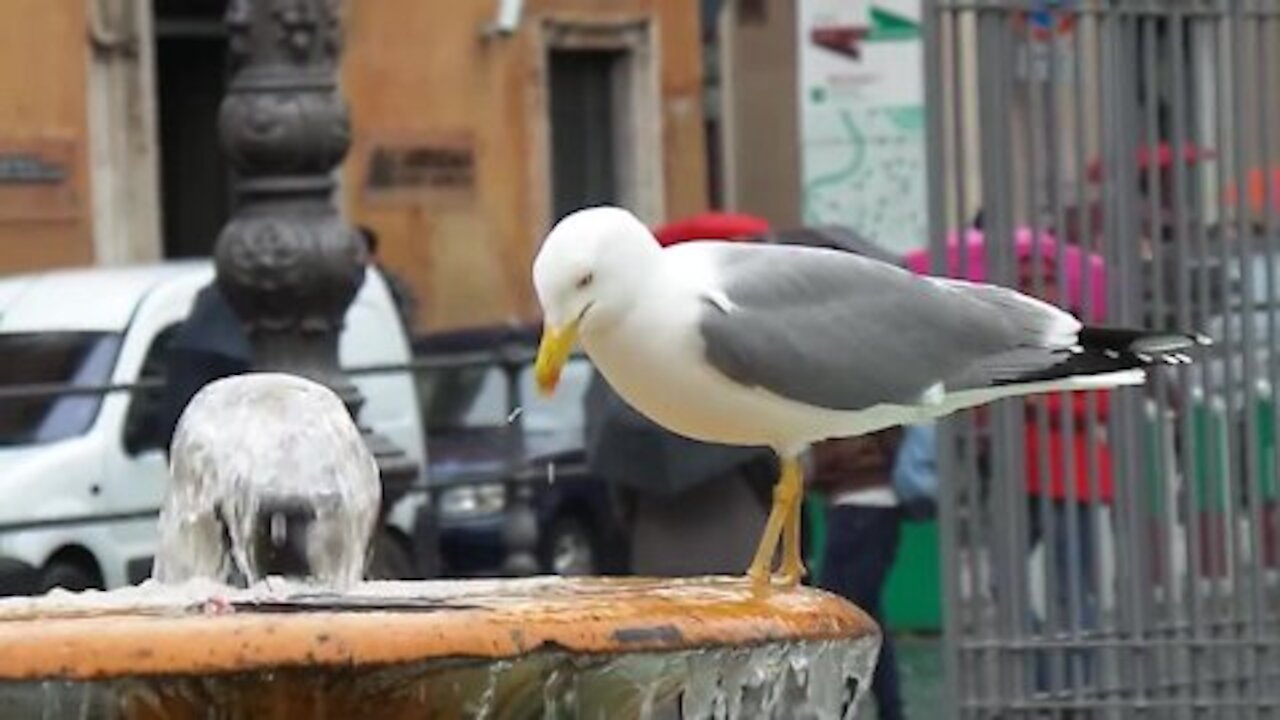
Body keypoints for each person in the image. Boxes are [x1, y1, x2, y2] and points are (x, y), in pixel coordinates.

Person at [812, 428, 908, 720]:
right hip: (873, 507)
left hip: (857, 508)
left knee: (845, 617)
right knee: (865, 615)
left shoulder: (843, 405)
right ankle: (883, 707)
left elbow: (828, 462)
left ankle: (845, 705)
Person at [357, 224, 420, 332]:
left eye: (356, 252)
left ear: (371, 255)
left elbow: (407, 320)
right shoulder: (338, 281)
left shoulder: (391, 283)